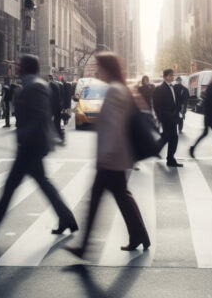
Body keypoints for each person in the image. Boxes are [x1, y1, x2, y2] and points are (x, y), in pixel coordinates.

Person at [0, 55, 78, 241]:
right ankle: (67, 219)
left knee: (11, 187)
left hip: (31, 146)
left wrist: (21, 135)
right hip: (32, 145)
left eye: (19, 64)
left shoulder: (35, 86)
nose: (16, 66)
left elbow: (41, 117)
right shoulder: (33, 84)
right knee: (41, 184)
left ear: (26, 67)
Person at [64, 52, 150, 259]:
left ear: (107, 68)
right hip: (118, 158)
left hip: (111, 159)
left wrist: (105, 155)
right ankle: (141, 236)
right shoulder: (121, 89)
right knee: (122, 196)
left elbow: (113, 128)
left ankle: (85, 247)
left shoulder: (114, 91)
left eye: (98, 67)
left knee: (95, 202)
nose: (95, 71)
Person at [188, 71, 212, 160]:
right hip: (211, 116)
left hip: (210, 115)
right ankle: (193, 148)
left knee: (209, 134)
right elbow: (211, 102)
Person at [153, 69, 182, 167]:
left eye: (173, 75)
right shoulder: (160, 89)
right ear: (165, 76)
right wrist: (161, 118)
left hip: (173, 117)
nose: (172, 77)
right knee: (173, 138)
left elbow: (176, 101)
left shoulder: (172, 87)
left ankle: (163, 155)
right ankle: (170, 159)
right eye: (170, 75)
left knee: (167, 137)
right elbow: (157, 106)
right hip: (166, 118)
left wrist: (178, 111)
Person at [47, 74, 65, 144]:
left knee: (55, 122)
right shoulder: (58, 84)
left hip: (54, 107)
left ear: (49, 79)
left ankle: (57, 136)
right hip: (58, 107)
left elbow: (52, 97)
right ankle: (59, 136)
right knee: (57, 122)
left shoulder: (52, 85)